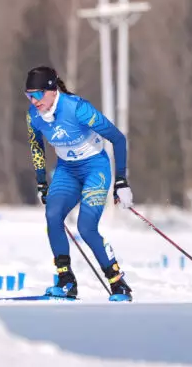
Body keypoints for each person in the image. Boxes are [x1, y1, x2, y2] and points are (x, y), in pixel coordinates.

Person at [25, 66, 134, 302]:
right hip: (67, 170)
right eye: (29, 95)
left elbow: (117, 138)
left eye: (37, 95)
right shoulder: (33, 116)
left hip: (95, 168)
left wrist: (122, 180)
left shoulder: (77, 108)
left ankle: (117, 282)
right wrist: (42, 182)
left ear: (52, 90)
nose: (33, 101)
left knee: (86, 228)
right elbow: (36, 147)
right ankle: (66, 282)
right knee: (53, 216)